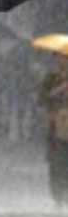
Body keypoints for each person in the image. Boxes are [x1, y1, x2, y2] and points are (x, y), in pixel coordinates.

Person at [38, 54, 68, 207]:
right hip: (55, 127)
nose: (62, 61)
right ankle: (58, 197)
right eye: (60, 58)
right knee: (56, 163)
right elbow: (41, 100)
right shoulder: (50, 78)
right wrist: (58, 90)